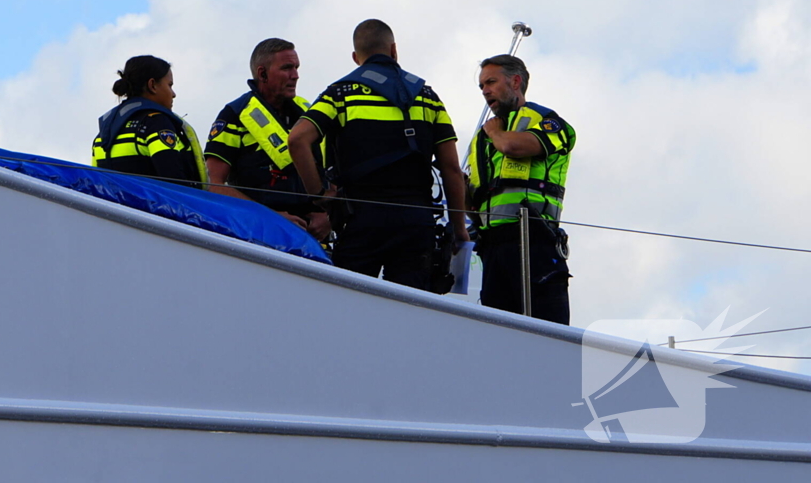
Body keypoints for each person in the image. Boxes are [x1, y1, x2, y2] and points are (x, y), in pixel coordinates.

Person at [288, 19, 469, 290]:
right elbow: (452, 169)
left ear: (355, 57)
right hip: (415, 220)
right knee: (410, 308)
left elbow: (298, 138)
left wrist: (320, 195)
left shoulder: (341, 94)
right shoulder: (428, 96)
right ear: (394, 50)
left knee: (349, 306)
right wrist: (459, 228)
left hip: (361, 219)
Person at [466, 54, 575, 325]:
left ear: (516, 82)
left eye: (491, 82)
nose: (485, 90)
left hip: (534, 239)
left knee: (548, 335)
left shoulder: (547, 120)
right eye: (481, 86)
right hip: (492, 248)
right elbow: (473, 196)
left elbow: (514, 147)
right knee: (498, 337)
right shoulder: (480, 141)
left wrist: (494, 133)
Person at [205, 38, 331, 241]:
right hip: (260, 237)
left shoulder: (309, 113)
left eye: (297, 67)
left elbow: (335, 172)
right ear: (262, 73)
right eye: (287, 68)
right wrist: (270, 217)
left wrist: (328, 215)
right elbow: (214, 184)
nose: (295, 75)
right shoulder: (234, 115)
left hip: (315, 239)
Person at [92, 55, 208, 188]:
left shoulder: (104, 132)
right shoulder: (157, 123)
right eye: (169, 85)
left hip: (111, 207)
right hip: (154, 208)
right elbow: (175, 184)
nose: (173, 93)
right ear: (152, 85)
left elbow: (97, 183)